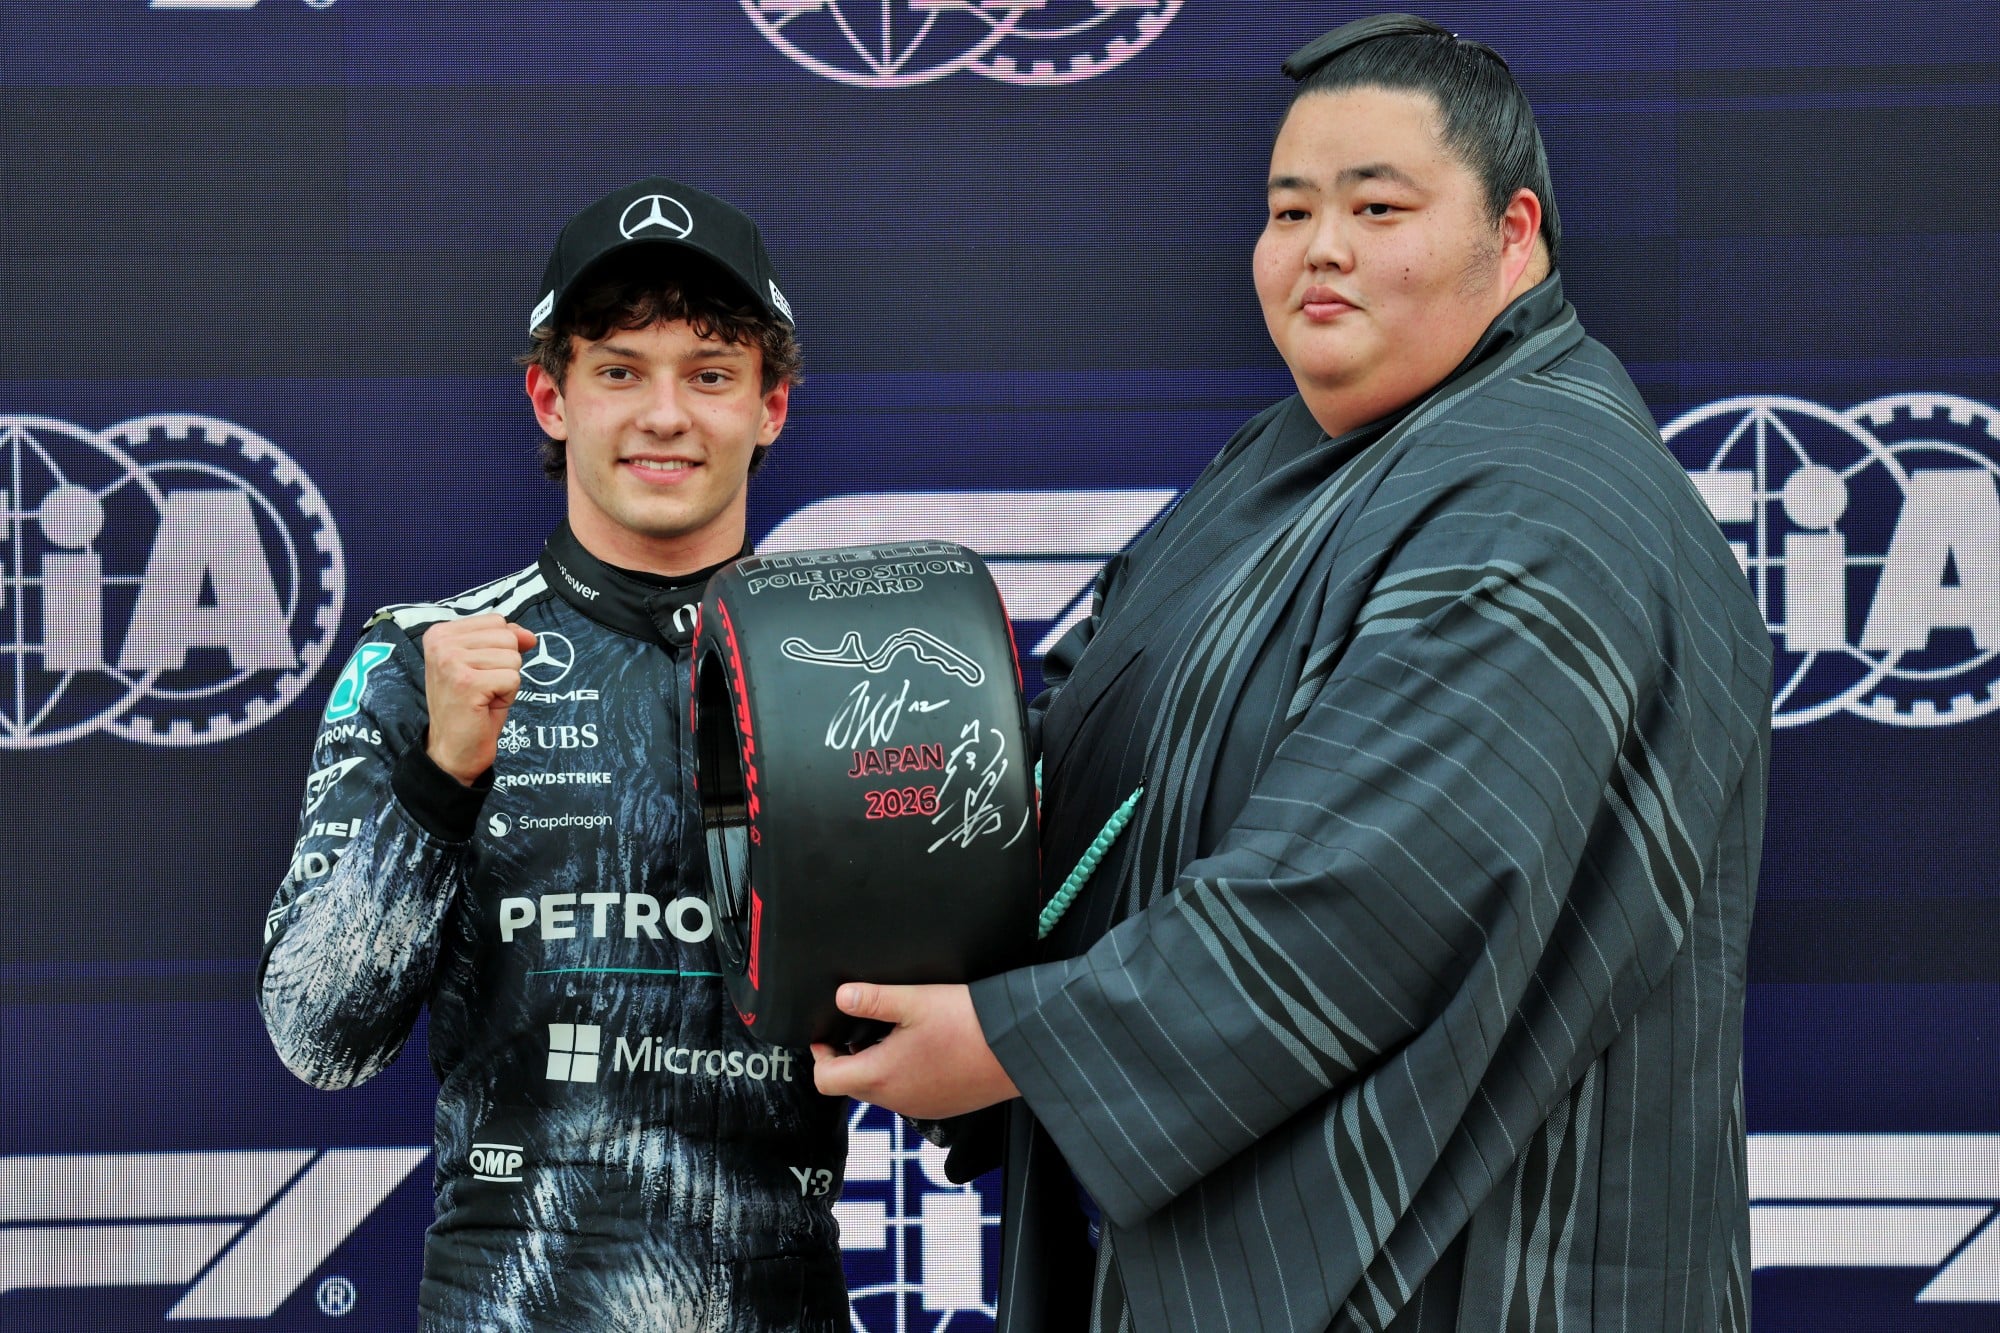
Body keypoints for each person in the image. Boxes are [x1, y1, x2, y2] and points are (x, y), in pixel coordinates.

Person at [811, 15, 1771, 1332]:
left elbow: (1361, 898)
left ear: (1516, 234)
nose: (1321, 248)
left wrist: (1005, 1045)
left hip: (1504, 1272)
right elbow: (1083, 746)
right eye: (1290, 209)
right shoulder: (1287, 464)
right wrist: (860, 837)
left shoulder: (1549, 500)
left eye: (1379, 207)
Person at [258, 177, 849, 1331]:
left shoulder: (856, 676)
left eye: (711, 373)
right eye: (619, 369)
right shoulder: (415, 660)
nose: (664, 414)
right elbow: (316, 1040)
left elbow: (954, 1059)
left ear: (771, 406)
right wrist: (436, 784)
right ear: (551, 395)